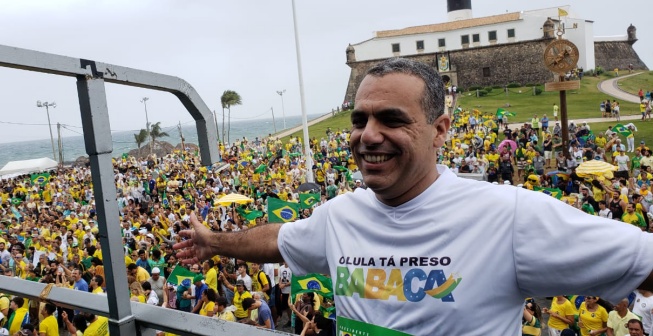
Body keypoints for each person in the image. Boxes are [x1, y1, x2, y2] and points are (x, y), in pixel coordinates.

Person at [175, 57, 653, 335]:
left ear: (440, 130)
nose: (368, 135)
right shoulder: (341, 214)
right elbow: (282, 239)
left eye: (392, 119)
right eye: (360, 120)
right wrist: (214, 242)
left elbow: (642, 260)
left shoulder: (507, 215)